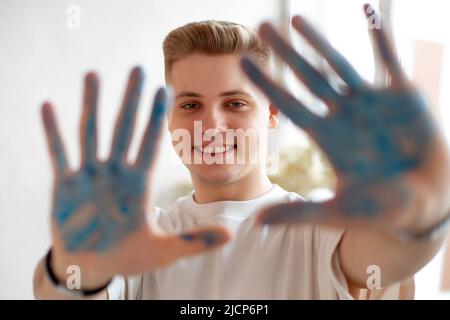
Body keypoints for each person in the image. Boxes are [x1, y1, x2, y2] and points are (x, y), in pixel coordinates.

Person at [33, 5, 450, 299]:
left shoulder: (319, 233)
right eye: (191, 105)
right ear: (170, 119)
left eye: (235, 103)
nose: (211, 126)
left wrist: (421, 215)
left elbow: (384, 257)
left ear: (271, 114)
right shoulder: (143, 238)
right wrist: (75, 267)